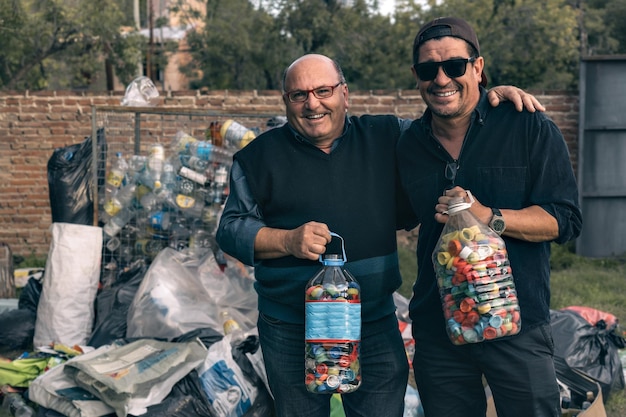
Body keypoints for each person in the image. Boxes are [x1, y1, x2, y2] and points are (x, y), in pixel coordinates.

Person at [216, 53, 543, 417]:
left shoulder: (388, 136)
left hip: (373, 320)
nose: (313, 103)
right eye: (299, 95)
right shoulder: (257, 156)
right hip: (292, 326)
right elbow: (230, 229)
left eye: (324, 90)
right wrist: (287, 240)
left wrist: (487, 98)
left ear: (345, 93)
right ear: (286, 101)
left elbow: (448, 120)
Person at [396, 17, 583, 417]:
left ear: (478, 67)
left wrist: (488, 216)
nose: (441, 78)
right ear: (416, 76)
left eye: (455, 66)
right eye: (429, 69)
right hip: (438, 326)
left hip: (516, 324)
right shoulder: (407, 144)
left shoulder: (528, 125)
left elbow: (563, 219)